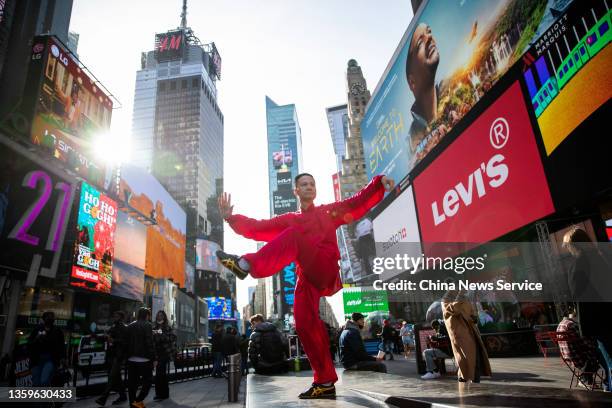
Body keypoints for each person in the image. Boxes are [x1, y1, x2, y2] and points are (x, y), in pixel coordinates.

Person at [217, 173, 395, 399]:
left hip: (325, 266)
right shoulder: (291, 218)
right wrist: (231, 218)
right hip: (307, 275)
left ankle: (245, 264)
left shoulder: (328, 212)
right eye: (304, 184)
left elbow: (356, 203)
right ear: (296, 191)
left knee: (292, 236)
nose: (309, 187)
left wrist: (378, 182)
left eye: (312, 184)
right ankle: (325, 381)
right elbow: (259, 228)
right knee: (304, 323)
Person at [405, 23, 441, 153]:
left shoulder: (455, 84)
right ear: (412, 81)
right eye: (420, 42)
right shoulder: (410, 142)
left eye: (429, 31)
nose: (429, 37)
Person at [442, 291, 492, 383]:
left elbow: (472, 312)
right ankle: (464, 380)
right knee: (466, 359)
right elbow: (454, 310)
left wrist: (474, 317)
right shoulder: (446, 300)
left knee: (475, 358)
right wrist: (460, 296)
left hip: (471, 331)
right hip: (460, 334)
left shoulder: (464, 299)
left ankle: (475, 381)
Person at [556, 311, 599, 385]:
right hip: (578, 357)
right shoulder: (572, 325)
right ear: (576, 316)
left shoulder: (560, 324)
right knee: (599, 355)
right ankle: (585, 379)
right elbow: (585, 342)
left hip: (567, 357)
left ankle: (585, 378)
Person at [125, 307, 156, 408]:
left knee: (132, 384)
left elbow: (127, 343)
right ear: (147, 315)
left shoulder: (130, 326)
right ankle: (138, 401)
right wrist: (154, 358)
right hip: (144, 359)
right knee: (147, 382)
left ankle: (132, 403)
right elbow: (149, 343)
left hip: (131, 359)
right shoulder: (148, 325)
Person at [96, 311, 128, 406]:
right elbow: (109, 336)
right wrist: (103, 337)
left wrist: (114, 340)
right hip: (111, 354)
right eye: (114, 316)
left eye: (117, 316)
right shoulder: (113, 327)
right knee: (116, 377)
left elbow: (125, 342)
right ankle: (123, 396)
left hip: (118, 356)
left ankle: (103, 398)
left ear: (121, 318)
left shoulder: (123, 328)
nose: (115, 317)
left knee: (111, 377)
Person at [27, 311, 66, 387]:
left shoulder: (57, 331)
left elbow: (61, 345)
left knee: (44, 381)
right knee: (36, 382)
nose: (51, 319)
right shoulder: (38, 329)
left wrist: (63, 357)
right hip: (37, 359)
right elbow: (30, 343)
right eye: (48, 317)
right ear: (44, 318)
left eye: (52, 317)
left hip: (50, 359)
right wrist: (37, 338)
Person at [152, 310, 175, 401]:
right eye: (158, 315)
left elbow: (172, 338)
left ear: (164, 317)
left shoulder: (167, 327)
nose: (159, 317)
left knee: (161, 373)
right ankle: (159, 393)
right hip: (156, 352)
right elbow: (152, 339)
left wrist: (161, 334)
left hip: (164, 352)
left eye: (161, 315)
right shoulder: (154, 326)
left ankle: (163, 394)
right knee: (159, 374)